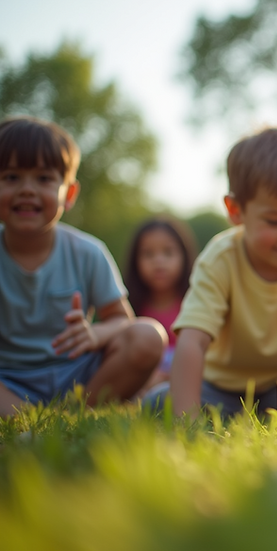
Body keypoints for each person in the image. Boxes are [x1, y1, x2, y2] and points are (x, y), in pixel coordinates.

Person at [145, 122, 277, 417]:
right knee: (159, 402)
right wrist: (187, 421)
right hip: (222, 388)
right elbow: (193, 341)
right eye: (275, 221)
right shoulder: (221, 258)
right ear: (236, 210)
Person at [0, 116, 165, 415]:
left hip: (77, 376)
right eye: (11, 177)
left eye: (44, 179)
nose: (27, 189)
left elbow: (122, 320)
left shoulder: (88, 252)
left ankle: (76, 415)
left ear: (70, 194)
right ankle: (23, 416)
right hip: (8, 379)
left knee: (148, 336)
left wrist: (94, 334)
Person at [124, 216, 198, 394]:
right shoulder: (128, 307)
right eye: (148, 254)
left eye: (168, 252)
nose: (158, 261)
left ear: (184, 256)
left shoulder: (197, 303)